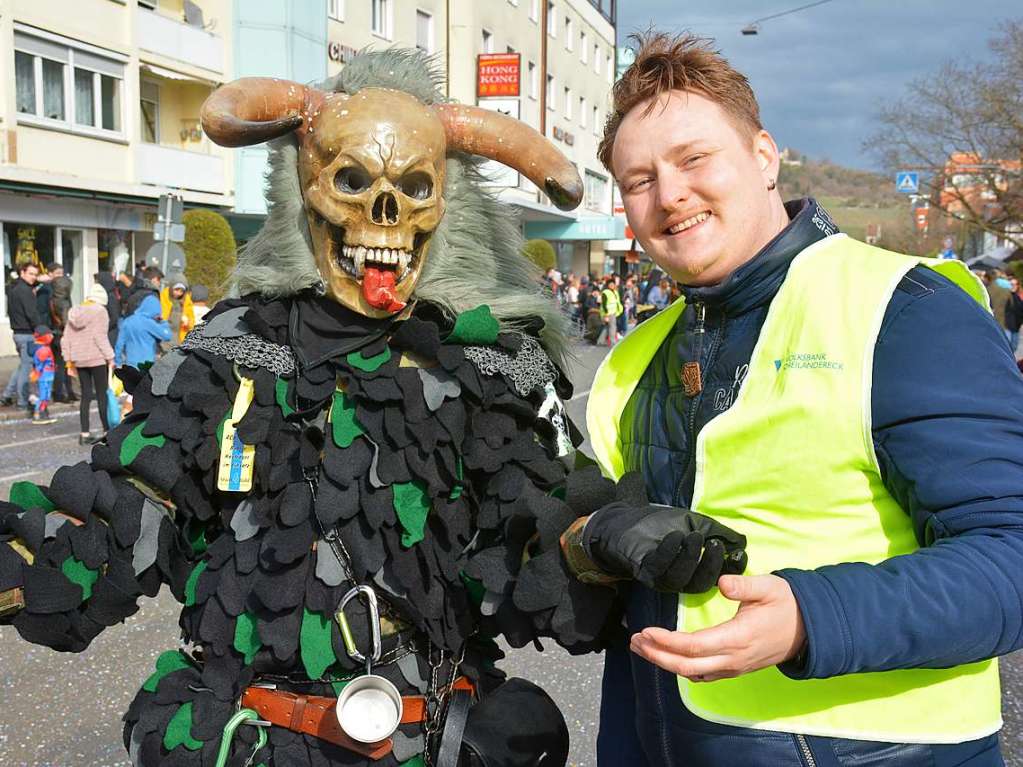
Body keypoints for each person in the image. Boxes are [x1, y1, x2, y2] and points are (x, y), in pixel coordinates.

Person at [583, 32, 1019, 765]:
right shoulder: (638, 352)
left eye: (693, 159)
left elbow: (1009, 555)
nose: (669, 194)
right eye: (638, 179)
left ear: (762, 158)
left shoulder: (903, 311)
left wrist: (808, 617)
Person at [62, 283, 115, 444]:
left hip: (79, 359)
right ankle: (107, 430)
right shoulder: (100, 311)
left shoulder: (74, 312)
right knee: (101, 395)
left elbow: (66, 339)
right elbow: (100, 336)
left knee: (85, 395)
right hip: (97, 358)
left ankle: (84, 433)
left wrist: (68, 360)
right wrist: (110, 356)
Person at [1, 262, 41, 412]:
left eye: (35, 274)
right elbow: (32, 314)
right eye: (31, 274)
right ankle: (22, 402)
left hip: (18, 333)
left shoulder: (13, 288)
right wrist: (41, 329)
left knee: (22, 365)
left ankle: (7, 394)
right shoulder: (25, 291)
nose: (34, 277)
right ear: (22, 273)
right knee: (26, 368)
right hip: (27, 334)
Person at [114, 293, 171, 368]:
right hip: (146, 364)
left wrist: (118, 362)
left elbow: (119, 344)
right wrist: (163, 322)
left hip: (130, 362)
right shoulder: (149, 323)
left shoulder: (127, 321)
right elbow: (167, 336)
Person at [47, 273, 77, 403]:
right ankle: (63, 393)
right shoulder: (64, 303)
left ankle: (61, 391)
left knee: (59, 365)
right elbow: (66, 322)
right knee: (65, 366)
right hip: (63, 335)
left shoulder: (52, 299)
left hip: (54, 334)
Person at [28, 325, 56, 425]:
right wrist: (37, 374)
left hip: (47, 375)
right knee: (43, 395)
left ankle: (43, 412)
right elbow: (39, 365)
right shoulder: (43, 350)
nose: (52, 336)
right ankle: (39, 413)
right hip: (44, 376)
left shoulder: (43, 348)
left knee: (46, 395)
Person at [159, 272, 195, 345]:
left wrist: (187, 322)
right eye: (176, 289)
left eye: (181, 291)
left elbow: (192, 321)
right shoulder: (163, 297)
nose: (178, 293)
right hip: (163, 336)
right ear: (171, 287)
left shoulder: (187, 302)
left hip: (179, 339)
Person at [598, 275, 623, 346]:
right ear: (608, 285)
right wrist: (606, 314)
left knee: (607, 327)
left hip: (613, 312)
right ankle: (612, 341)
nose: (612, 285)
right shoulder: (605, 292)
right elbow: (604, 304)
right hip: (608, 313)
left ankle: (600, 341)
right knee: (612, 327)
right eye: (610, 284)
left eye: (613, 284)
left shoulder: (614, 292)